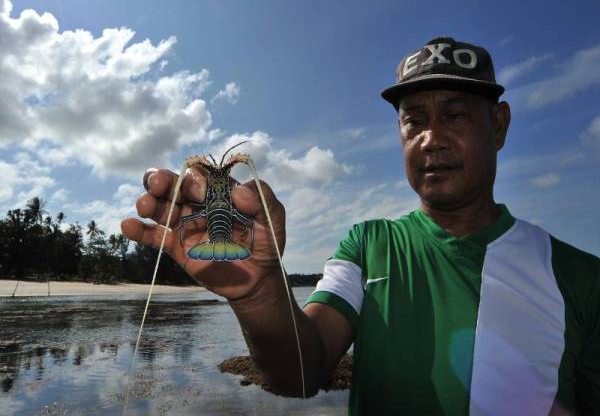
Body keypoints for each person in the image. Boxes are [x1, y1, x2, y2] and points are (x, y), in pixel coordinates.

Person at [121, 37, 600, 416]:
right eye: (414, 121)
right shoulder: (368, 245)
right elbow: (300, 376)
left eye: (455, 115)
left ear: (498, 125)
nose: (431, 139)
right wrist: (261, 294)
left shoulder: (582, 280)